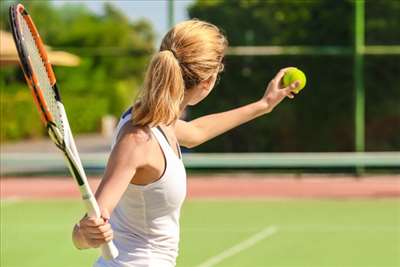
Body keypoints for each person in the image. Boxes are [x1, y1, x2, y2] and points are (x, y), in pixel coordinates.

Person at [72, 19, 299, 267]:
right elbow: (82, 235)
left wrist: (264, 105)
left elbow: (196, 131)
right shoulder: (138, 139)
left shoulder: (157, 122)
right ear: (208, 82)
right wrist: (86, 232)